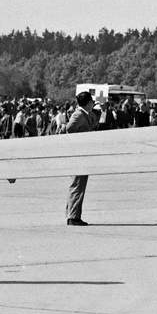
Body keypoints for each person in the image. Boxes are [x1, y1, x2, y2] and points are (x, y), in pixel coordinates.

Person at [63, 90, 97, 226]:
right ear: (88, 102)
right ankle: (73, 217)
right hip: (78, 154)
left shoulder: (86, 114)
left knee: (80, 184)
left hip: (83, 154)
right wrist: (78, 140)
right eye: (92, 102)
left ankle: (74, 214)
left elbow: (92, 125)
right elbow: (69, 128)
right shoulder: (78, 114)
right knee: (77, 184)